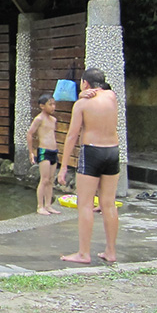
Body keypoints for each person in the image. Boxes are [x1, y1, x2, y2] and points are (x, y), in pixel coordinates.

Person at [57, 67, 121, 264]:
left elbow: (72, 136)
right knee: (108, 204)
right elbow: (105, 91)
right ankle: (110, 251)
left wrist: (64, 166)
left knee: (85, 204)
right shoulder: (112, 97)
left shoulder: (81, 104)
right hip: (112, 151)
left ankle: (84, 253)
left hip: (92, 151)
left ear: (85, 84)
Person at [27, 93, 62, 216]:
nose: (53, 107)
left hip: (54, 151)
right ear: (42, 106)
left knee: (51, 180)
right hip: (44, 151)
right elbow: (30, 133)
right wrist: (31, 152)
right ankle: (40, 206)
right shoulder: (39, 119)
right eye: (50, 104)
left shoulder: (53, 120)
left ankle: (48, 205)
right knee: (44, 179)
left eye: (54, 104)